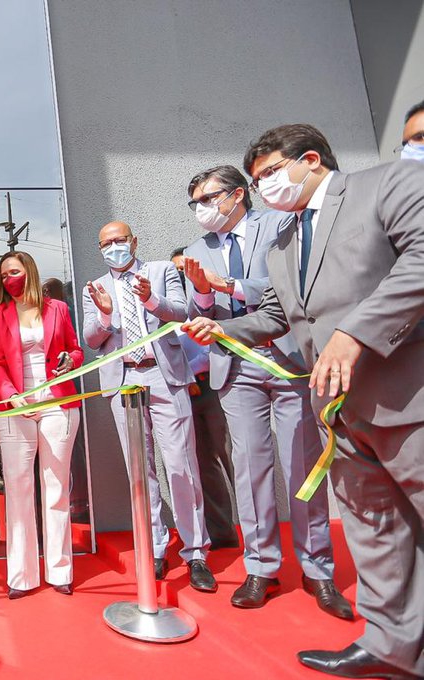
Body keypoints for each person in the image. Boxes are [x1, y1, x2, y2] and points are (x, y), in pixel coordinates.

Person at [185, 123, 424, 680]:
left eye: (270, 173)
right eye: (259, 177)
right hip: (339, 410)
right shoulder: (285, 242)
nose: (266, 186)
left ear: (310, 159)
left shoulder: (385, 186)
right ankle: (393, 646)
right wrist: (218, 330)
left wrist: (358, 331)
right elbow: (276, 316)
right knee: (374, 529)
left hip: (404, 397)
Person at [181, 166, 348, 618]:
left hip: (289, 360)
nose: (202, 209)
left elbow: (291, 286)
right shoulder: (198, 250)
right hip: (236, 368)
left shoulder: (279, 223)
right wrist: (201, 294)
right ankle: (261, 567)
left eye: (208, 198)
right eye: (195, 203)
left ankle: (318, 569)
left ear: (237, 194)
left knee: (302, 466)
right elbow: (205, 308)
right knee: (250, 470)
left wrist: (231, 284)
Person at [80, 222, 215, 593]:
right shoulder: (94, 287)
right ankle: (155, 547)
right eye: (106, 243)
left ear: (134, 241)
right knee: (141, 470)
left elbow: (181, 312)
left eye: (120, 240)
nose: (114, 248)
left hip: (163, 375)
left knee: (181, 466)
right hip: (123, 381)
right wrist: (105, 315)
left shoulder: (160, 271)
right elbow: (92, 340)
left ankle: (196, 552)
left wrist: (150, 300)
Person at [0, 251, 82, 598]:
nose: (9, 278)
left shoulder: (58, 309)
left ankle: (60, 572)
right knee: (18, 489)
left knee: (56, 488)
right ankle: (21, 576)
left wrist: (70, 360)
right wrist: (11, 395)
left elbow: (75, 349)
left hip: (58, 402)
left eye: (14, 271)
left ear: (30, 271)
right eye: (3, 275)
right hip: (14, 407)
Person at [169, 247, 236, 550]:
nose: (181, 275)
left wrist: (194, 373)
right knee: (203, 464)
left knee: (235, 457)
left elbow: (215, 345)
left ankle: (260, 533)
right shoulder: (170, 306)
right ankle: (222, 534)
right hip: (186, 391)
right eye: (177, 271)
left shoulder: (212, 300)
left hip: (216, 385)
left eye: (185, 269)